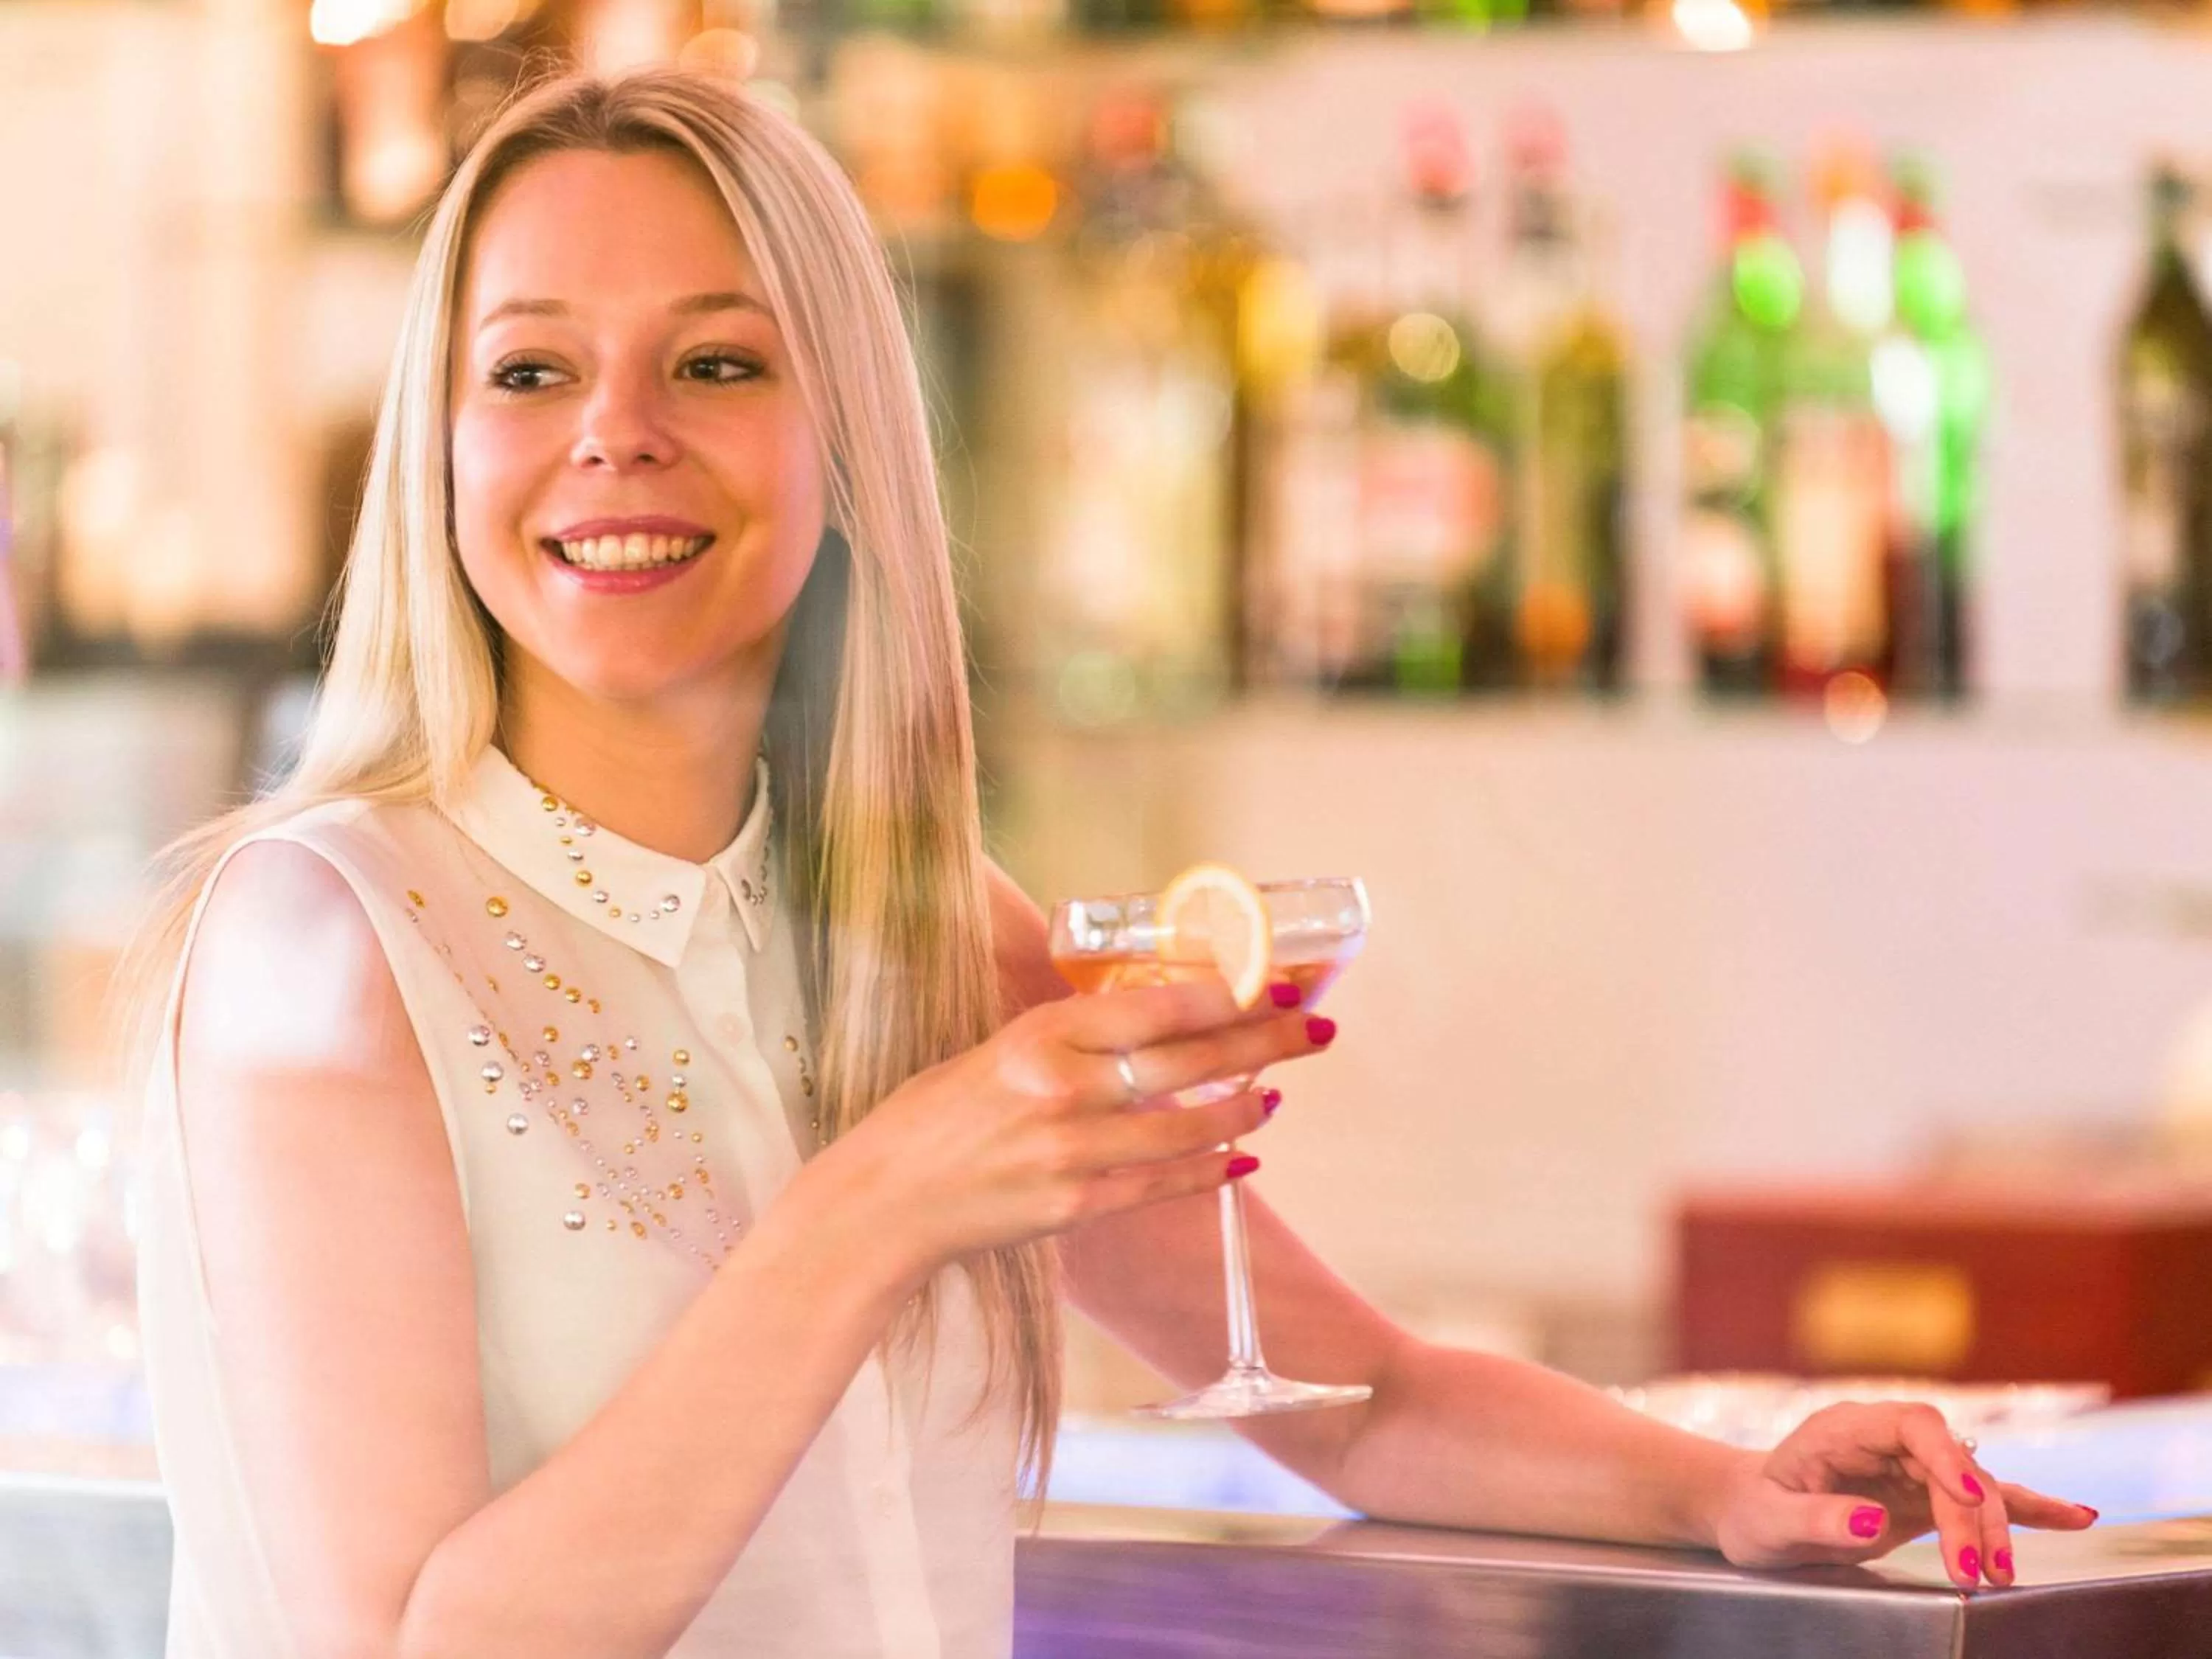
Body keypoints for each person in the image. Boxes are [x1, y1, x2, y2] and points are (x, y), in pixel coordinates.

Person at [124, 67, 2093, 1659]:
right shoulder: (329, 939)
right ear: (436, 446)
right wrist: (872, 1208)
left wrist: (1718, 1483)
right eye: (530, 372)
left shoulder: (919, 936)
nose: (616, 439)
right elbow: (410, 1645)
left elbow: (1360, 1398)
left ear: (848, 436)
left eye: (717, 365)